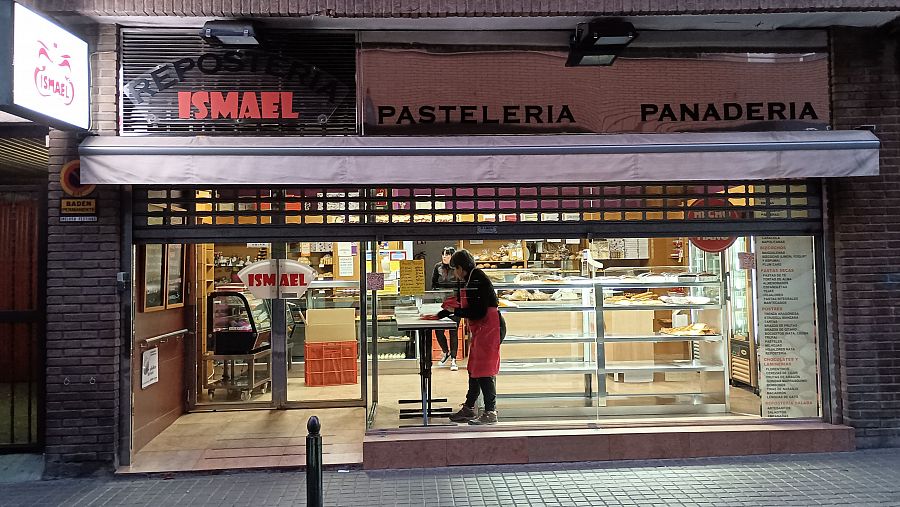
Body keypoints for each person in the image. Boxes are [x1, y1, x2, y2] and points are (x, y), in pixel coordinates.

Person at [436, 249, 504, 425]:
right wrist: (443, 312)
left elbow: (478, 311)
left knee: (484, 371)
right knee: (474, 368)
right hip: (483, 327)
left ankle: (490, 412)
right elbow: (467, 302)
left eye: (455, 270)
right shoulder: (471, 277)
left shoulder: (477, 277)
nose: (455, 274)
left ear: (460, 268)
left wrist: (455, 311)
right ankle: (469, 407)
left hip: (490, 327)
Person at [431, 246, 459, 371]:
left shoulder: (457, 268)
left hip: (454, 302)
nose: (444, 257)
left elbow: (461, 284)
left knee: (453, 331)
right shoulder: (438, 267)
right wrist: (436, 296)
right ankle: (445, 351)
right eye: (443, 254)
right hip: (441, 302)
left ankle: (454, 359)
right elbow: (433, 283)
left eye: (447, 254)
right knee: (438, 330)